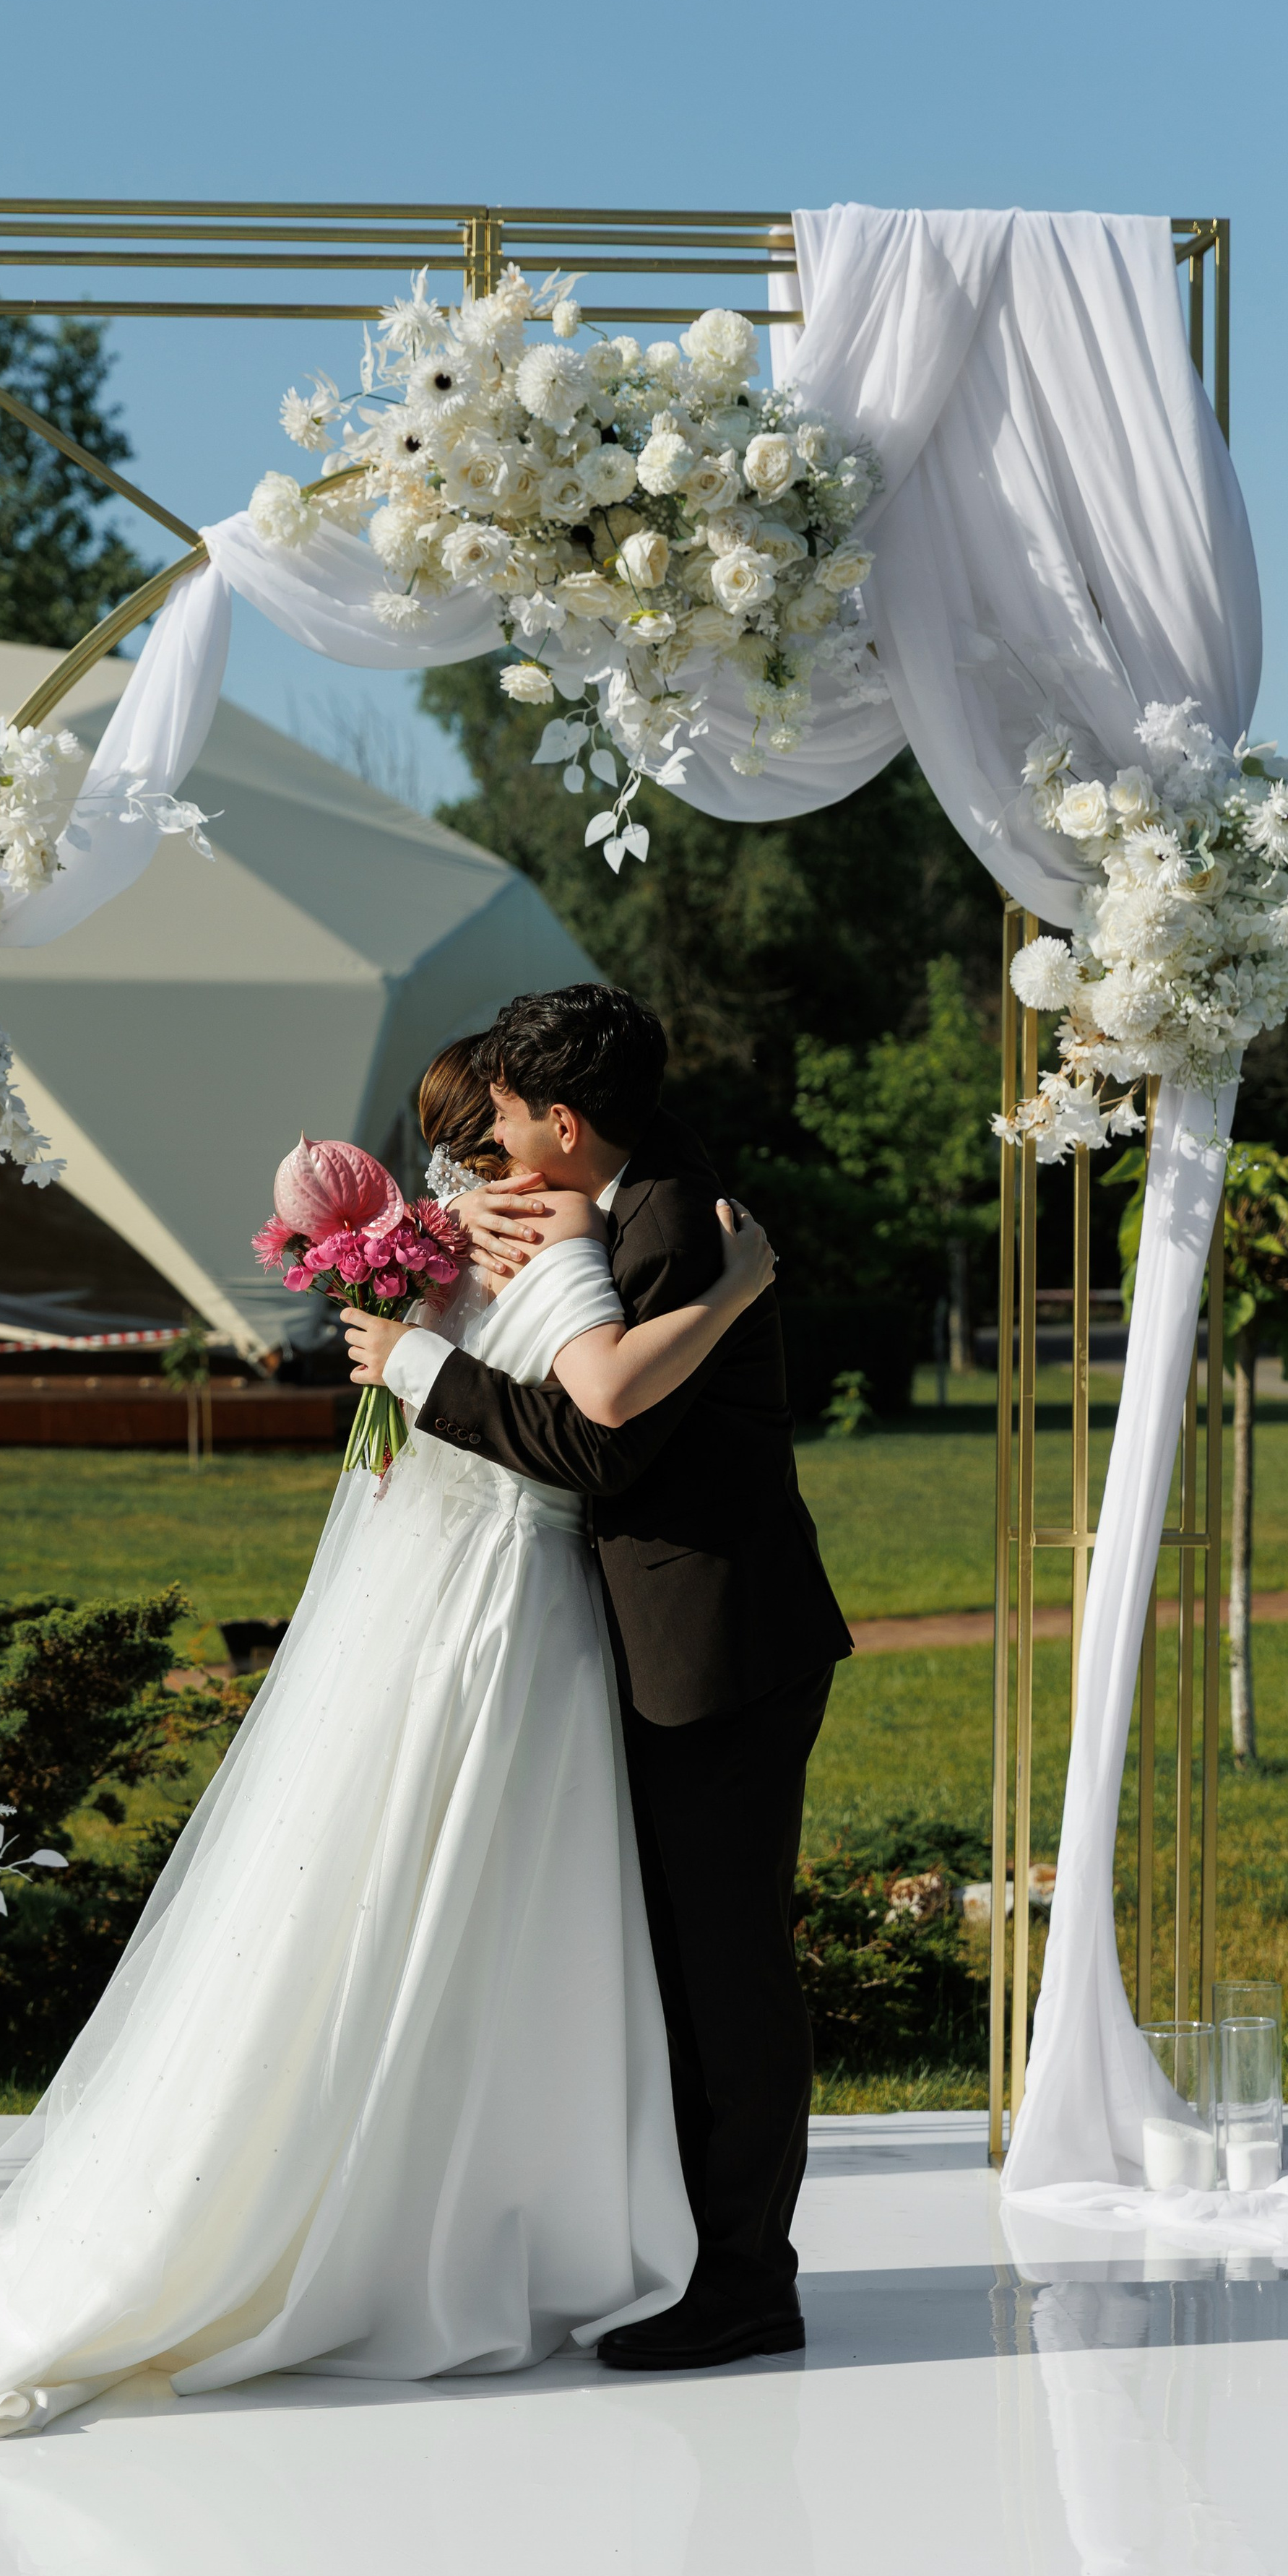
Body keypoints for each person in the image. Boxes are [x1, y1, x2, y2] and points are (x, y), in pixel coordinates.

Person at [0, 1043, 775, 2458]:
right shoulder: (553, 1243)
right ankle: (475, 2222)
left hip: (455, 1603)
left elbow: (443, 1409)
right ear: (519, 1142)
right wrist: (733, 1284)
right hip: (507, 1618)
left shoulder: (437, 1258)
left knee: (423, 1896)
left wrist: (427, 1313)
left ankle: (415, 2210)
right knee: (490, 1905)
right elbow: (600, 1408)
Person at [347, 985, 852, 2372]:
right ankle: (707, 2256)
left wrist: (420, 1369)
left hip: (721, 1650)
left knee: (727, 1973)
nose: (494, 1147)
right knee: (688, 1968)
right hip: (666, 1640)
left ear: (565, 1123)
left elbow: (597, 1446)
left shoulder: (676, 1227)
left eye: (509, 1121)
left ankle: (750, 2283)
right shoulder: (624, 1190)